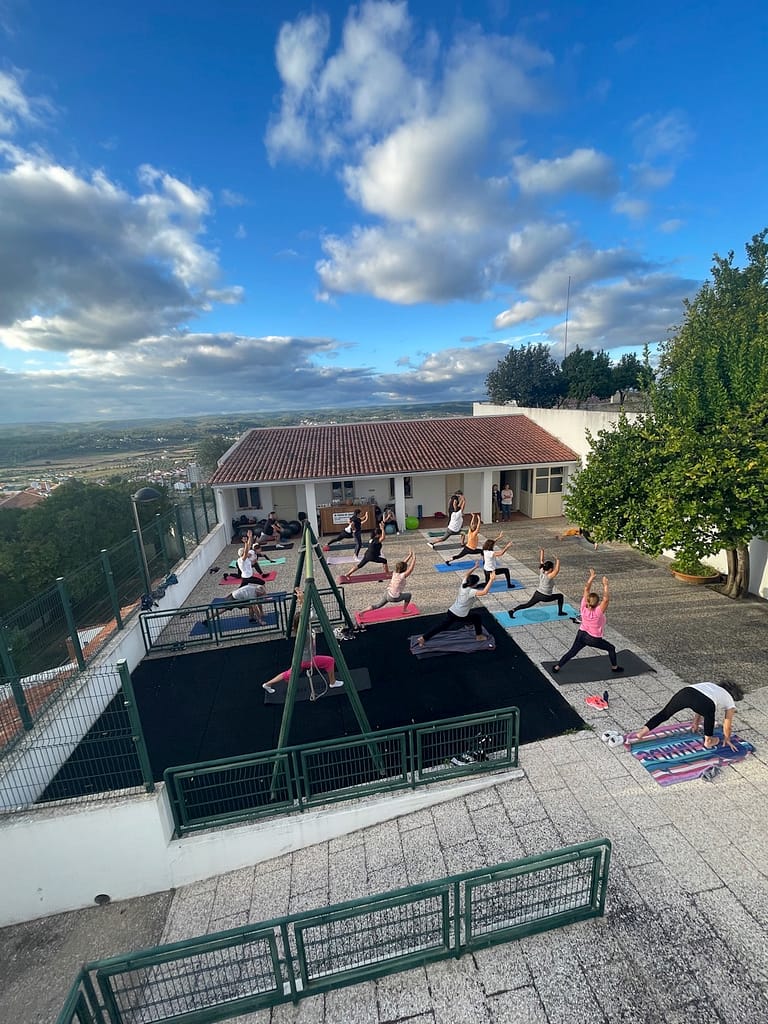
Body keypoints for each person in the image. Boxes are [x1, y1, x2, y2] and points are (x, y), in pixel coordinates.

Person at [262, 588, 341, 693]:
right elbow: (308, 615)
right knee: (330, 661)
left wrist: (301, 600)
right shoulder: (304, 632)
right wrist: (303, 601)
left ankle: (267, 684)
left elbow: (305, 615)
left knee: (288, 674)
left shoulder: (300, 629)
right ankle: (332, 682)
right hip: (307, 660)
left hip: (300, 659)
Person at [635, 681, 745, 750]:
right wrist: (727, 738)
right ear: (734, 696)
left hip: (686, 692)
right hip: (705, 702)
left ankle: (641, 733)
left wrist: (695, 723)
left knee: (665, 713)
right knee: (709, 715)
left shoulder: (711, 685)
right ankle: (708, 740)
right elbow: (727, 724)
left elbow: (700, 699)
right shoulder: (730, 701)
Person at [552, 569, 623, 673]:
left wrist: (591, 577)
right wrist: (605, 585)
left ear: (588, 601)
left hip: (581, 634)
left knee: (572, 652)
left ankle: (557, 667)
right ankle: (615, 668)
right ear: (597, 603)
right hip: (593, 638)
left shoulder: (583, 607)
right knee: (611, 648)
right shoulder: (598, 611)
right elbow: (606, 599)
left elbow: (586, 589)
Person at [417, 563, 496, 646]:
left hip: (452, 611)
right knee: (477, 617)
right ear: (474, 584)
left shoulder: (464, 585)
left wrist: (475, 567)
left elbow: (466, 574)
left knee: (441, 626)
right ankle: (479, 636)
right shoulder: (471, 591)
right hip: (460, 615)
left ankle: (423, 638)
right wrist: (491, 580)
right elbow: (484, 592)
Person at [509, 548, 567, 617]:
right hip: (545, 596)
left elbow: (541, 561)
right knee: (560, 596)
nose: (553, 569)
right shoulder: (549, 576)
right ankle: (560, 612)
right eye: (552, 568)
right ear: (551, 569)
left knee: (527, 605)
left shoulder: (542, 571)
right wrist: (558, 560)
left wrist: (542, 551)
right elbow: (557, 570)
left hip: (537, 593)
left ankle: (512, 610)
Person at [366, 549, 416, 614]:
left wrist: (409, 555)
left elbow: (402, 564)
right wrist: (414, 558)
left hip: (387, 593)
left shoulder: (394, 573)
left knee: (377, 605)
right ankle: (404, 610)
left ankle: (361, 612)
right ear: (404, 569)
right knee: (408, 595)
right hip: (393, 597)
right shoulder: (403, 575)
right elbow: (411, 568)